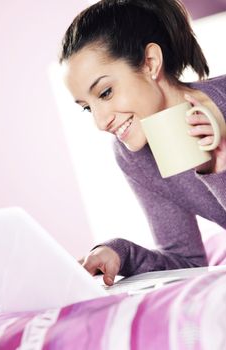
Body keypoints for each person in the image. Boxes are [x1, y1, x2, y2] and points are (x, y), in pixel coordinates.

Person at [59, 0, 226, 286]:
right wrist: (119, 254)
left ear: (150, 63)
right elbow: (187, 263)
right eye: (87, 107)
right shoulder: (133, 156)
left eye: (106, 92)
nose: (100, 123)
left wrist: (219, 168)